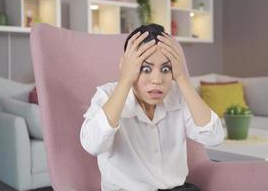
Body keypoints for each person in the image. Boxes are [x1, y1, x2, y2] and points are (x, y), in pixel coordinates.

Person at [80, 23, 224, 191]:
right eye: (145, 68)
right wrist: (125, 80)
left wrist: (182, 78)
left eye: (165, 68)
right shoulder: (107, 95)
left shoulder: (177, 93)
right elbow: (93, 145)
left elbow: (214, 137)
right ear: (127, 65)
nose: (157, 80)